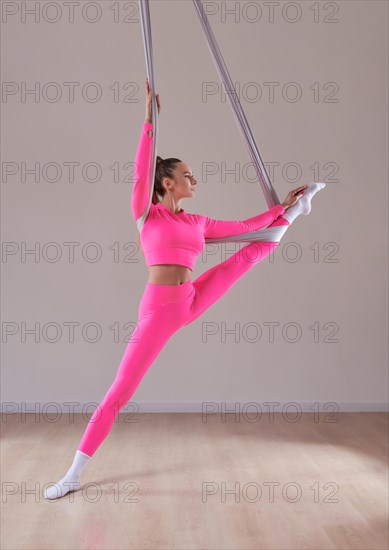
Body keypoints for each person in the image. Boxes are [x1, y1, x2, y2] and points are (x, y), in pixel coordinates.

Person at [44, 78, 325, 499]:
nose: (195, 181)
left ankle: (297, 213)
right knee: (120, 389)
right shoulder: (146, 215)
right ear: (168, 183)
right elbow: (142, 170)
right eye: (188, 176)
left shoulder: (197, 223)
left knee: (253, 250)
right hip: (158, 309)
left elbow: (247, 228)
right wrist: (149, 121)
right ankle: (72, 474)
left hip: (189, 299)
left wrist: (280, 207)